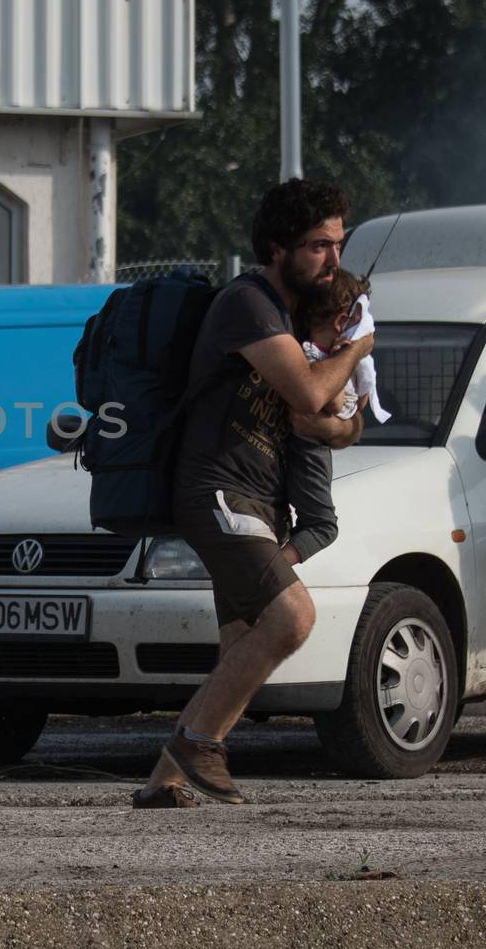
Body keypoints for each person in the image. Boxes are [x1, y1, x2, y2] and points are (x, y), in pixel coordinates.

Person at [135, 178, 372, 809]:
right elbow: (308, 396)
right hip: (219, 491)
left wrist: (336, 410)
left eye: (339, 244)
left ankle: (168, 778)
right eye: (320, 246)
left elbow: (335, 424)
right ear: (278, 247)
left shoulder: (297, 318)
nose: (334, 259)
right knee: (292, 618)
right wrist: (359, 348)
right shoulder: (249, 304)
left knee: (241, 643)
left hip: (261, 500)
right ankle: (198, 742)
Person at [280, 268, 374, 573]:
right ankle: (272, 571)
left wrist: (357, 365)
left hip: (315, 446)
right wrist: (344, 361)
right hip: (307, 449)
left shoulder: (323, 354)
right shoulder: (311, 354)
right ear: (340, 322)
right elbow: (331, 401)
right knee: (323, 526)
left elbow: (358, 406)